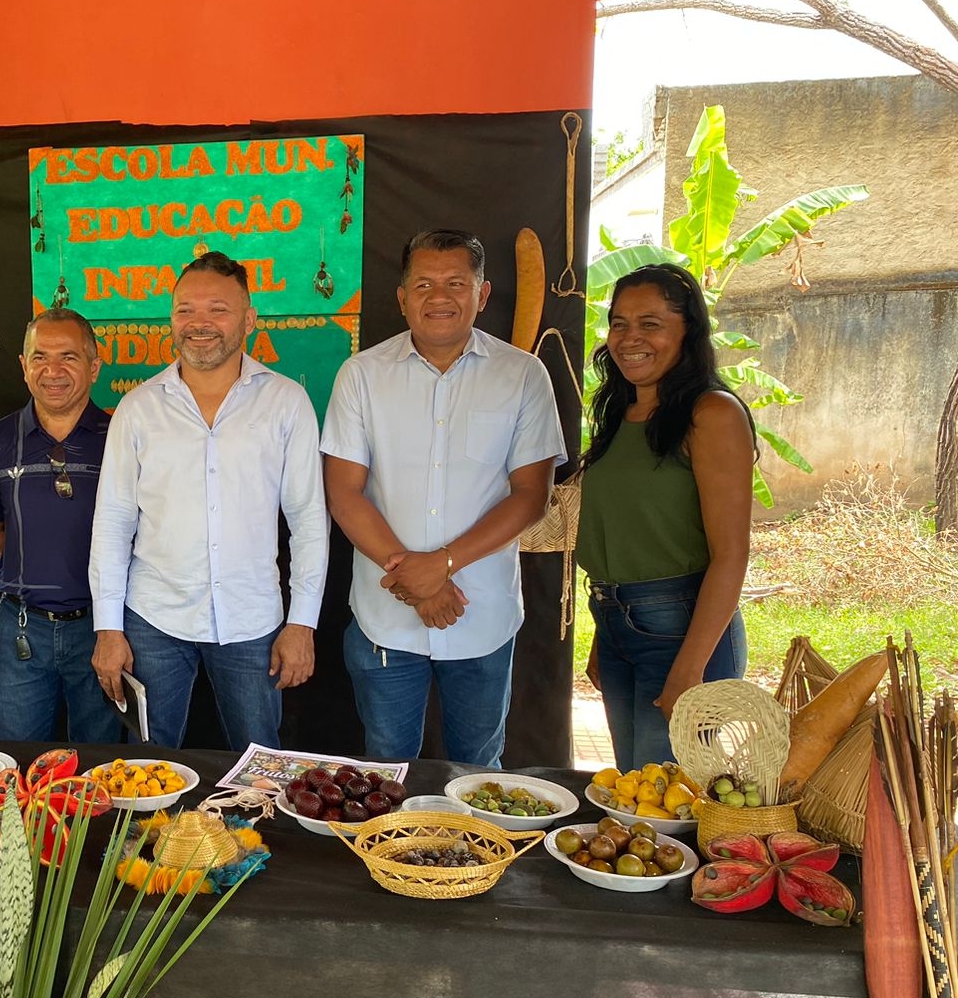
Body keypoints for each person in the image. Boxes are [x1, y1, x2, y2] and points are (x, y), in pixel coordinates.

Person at [321, 229, 564, 766]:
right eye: (424, 283)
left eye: (456, 282)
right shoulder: (361, 376)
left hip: (482, 615)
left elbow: (531, 496)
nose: (439, 297)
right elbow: (344, 493)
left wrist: (445, 564)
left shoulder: (523, 376)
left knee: (478, 771)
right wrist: (417, 580)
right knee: (385, 771)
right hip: (385, 614)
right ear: (402, 297)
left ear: (483, 294)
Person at [89, 251, 328, 751]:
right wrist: (108, 628)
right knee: (149, 770)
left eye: (217, 309)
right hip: (152, 617)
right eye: (185, 310)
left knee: (260, 768)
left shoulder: (285, 402)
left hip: (252, 620)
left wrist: (302, 622)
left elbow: (307, 519)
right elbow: (113, 522)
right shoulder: (138, 409)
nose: (199, 324)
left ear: (249, 318)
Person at [577, 263, 756, 772]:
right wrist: (607, 631)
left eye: (650, 323)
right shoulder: (620, 414)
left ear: (688, 331)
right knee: (636, 795)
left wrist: (690, 668)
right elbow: (627, 533)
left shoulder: (712, 413)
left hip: (682, 629)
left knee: (668, 811)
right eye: (619, 323)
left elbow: (731, 555)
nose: (630, 338)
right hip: (617, 620)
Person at [0, 308, 122, 745]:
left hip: (103, 626)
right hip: (21, 627)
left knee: (99, 768)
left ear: (94, 366)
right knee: (18, 764)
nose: (52, 371)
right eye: (39, 357)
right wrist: (34, 566)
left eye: (69, 358)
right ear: (23, 367)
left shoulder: (120, 437)